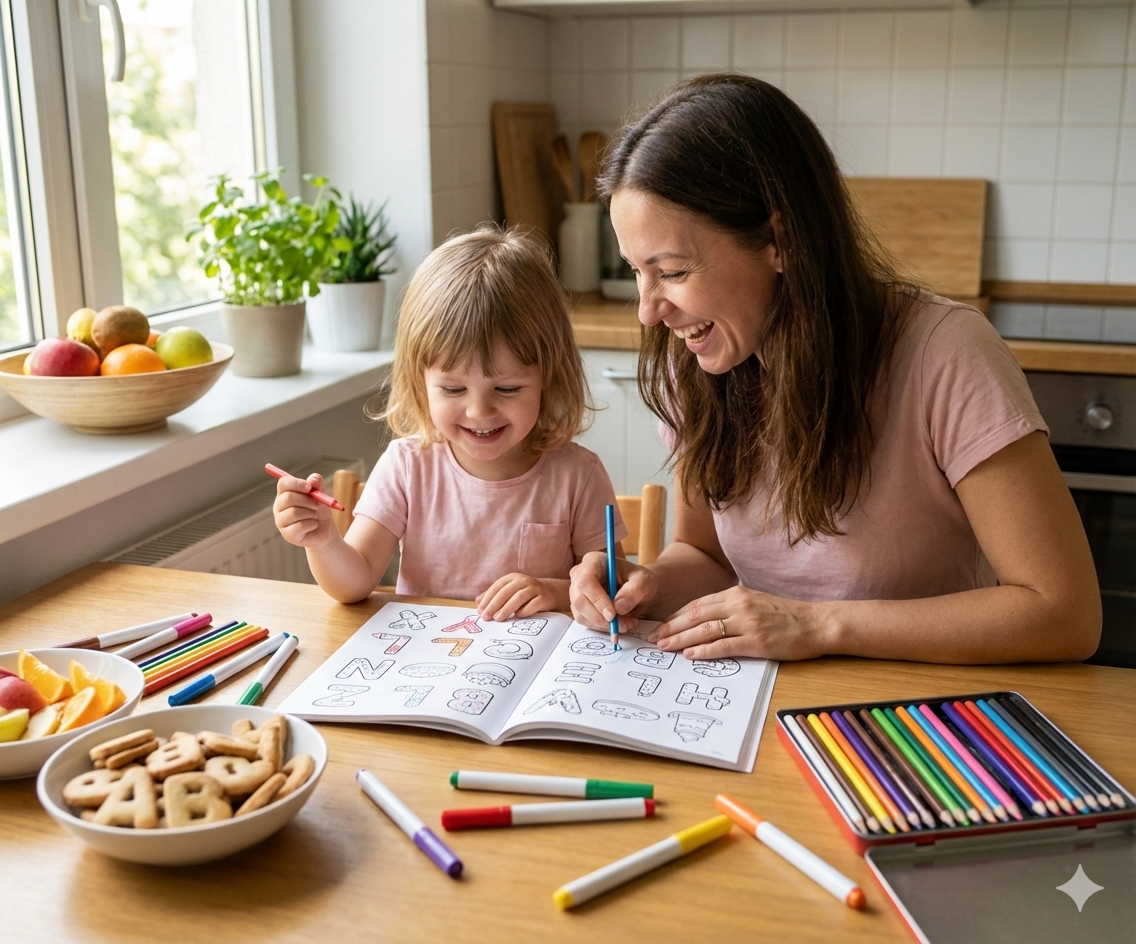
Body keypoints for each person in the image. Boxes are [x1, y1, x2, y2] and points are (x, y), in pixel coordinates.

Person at [570, 74, 1100, 665]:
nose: (648, 311)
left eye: (671, 271)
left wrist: (819, 627)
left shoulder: (943, 352)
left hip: (924, 712)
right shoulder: (698, 361)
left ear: (780, 240)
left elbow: (1064, 613)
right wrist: (646, 587)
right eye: (636, 272)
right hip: (762, 703)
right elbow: (708, 555)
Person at [274, 226, 627, 617]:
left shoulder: (579, 475)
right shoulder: (407, 467)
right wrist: (322, 540)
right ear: (419, 381)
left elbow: (611, 589)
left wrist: (556, 594)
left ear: (549, 377)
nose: (479, 412)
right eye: (453, 390)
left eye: (507, 389)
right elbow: (353, 585)